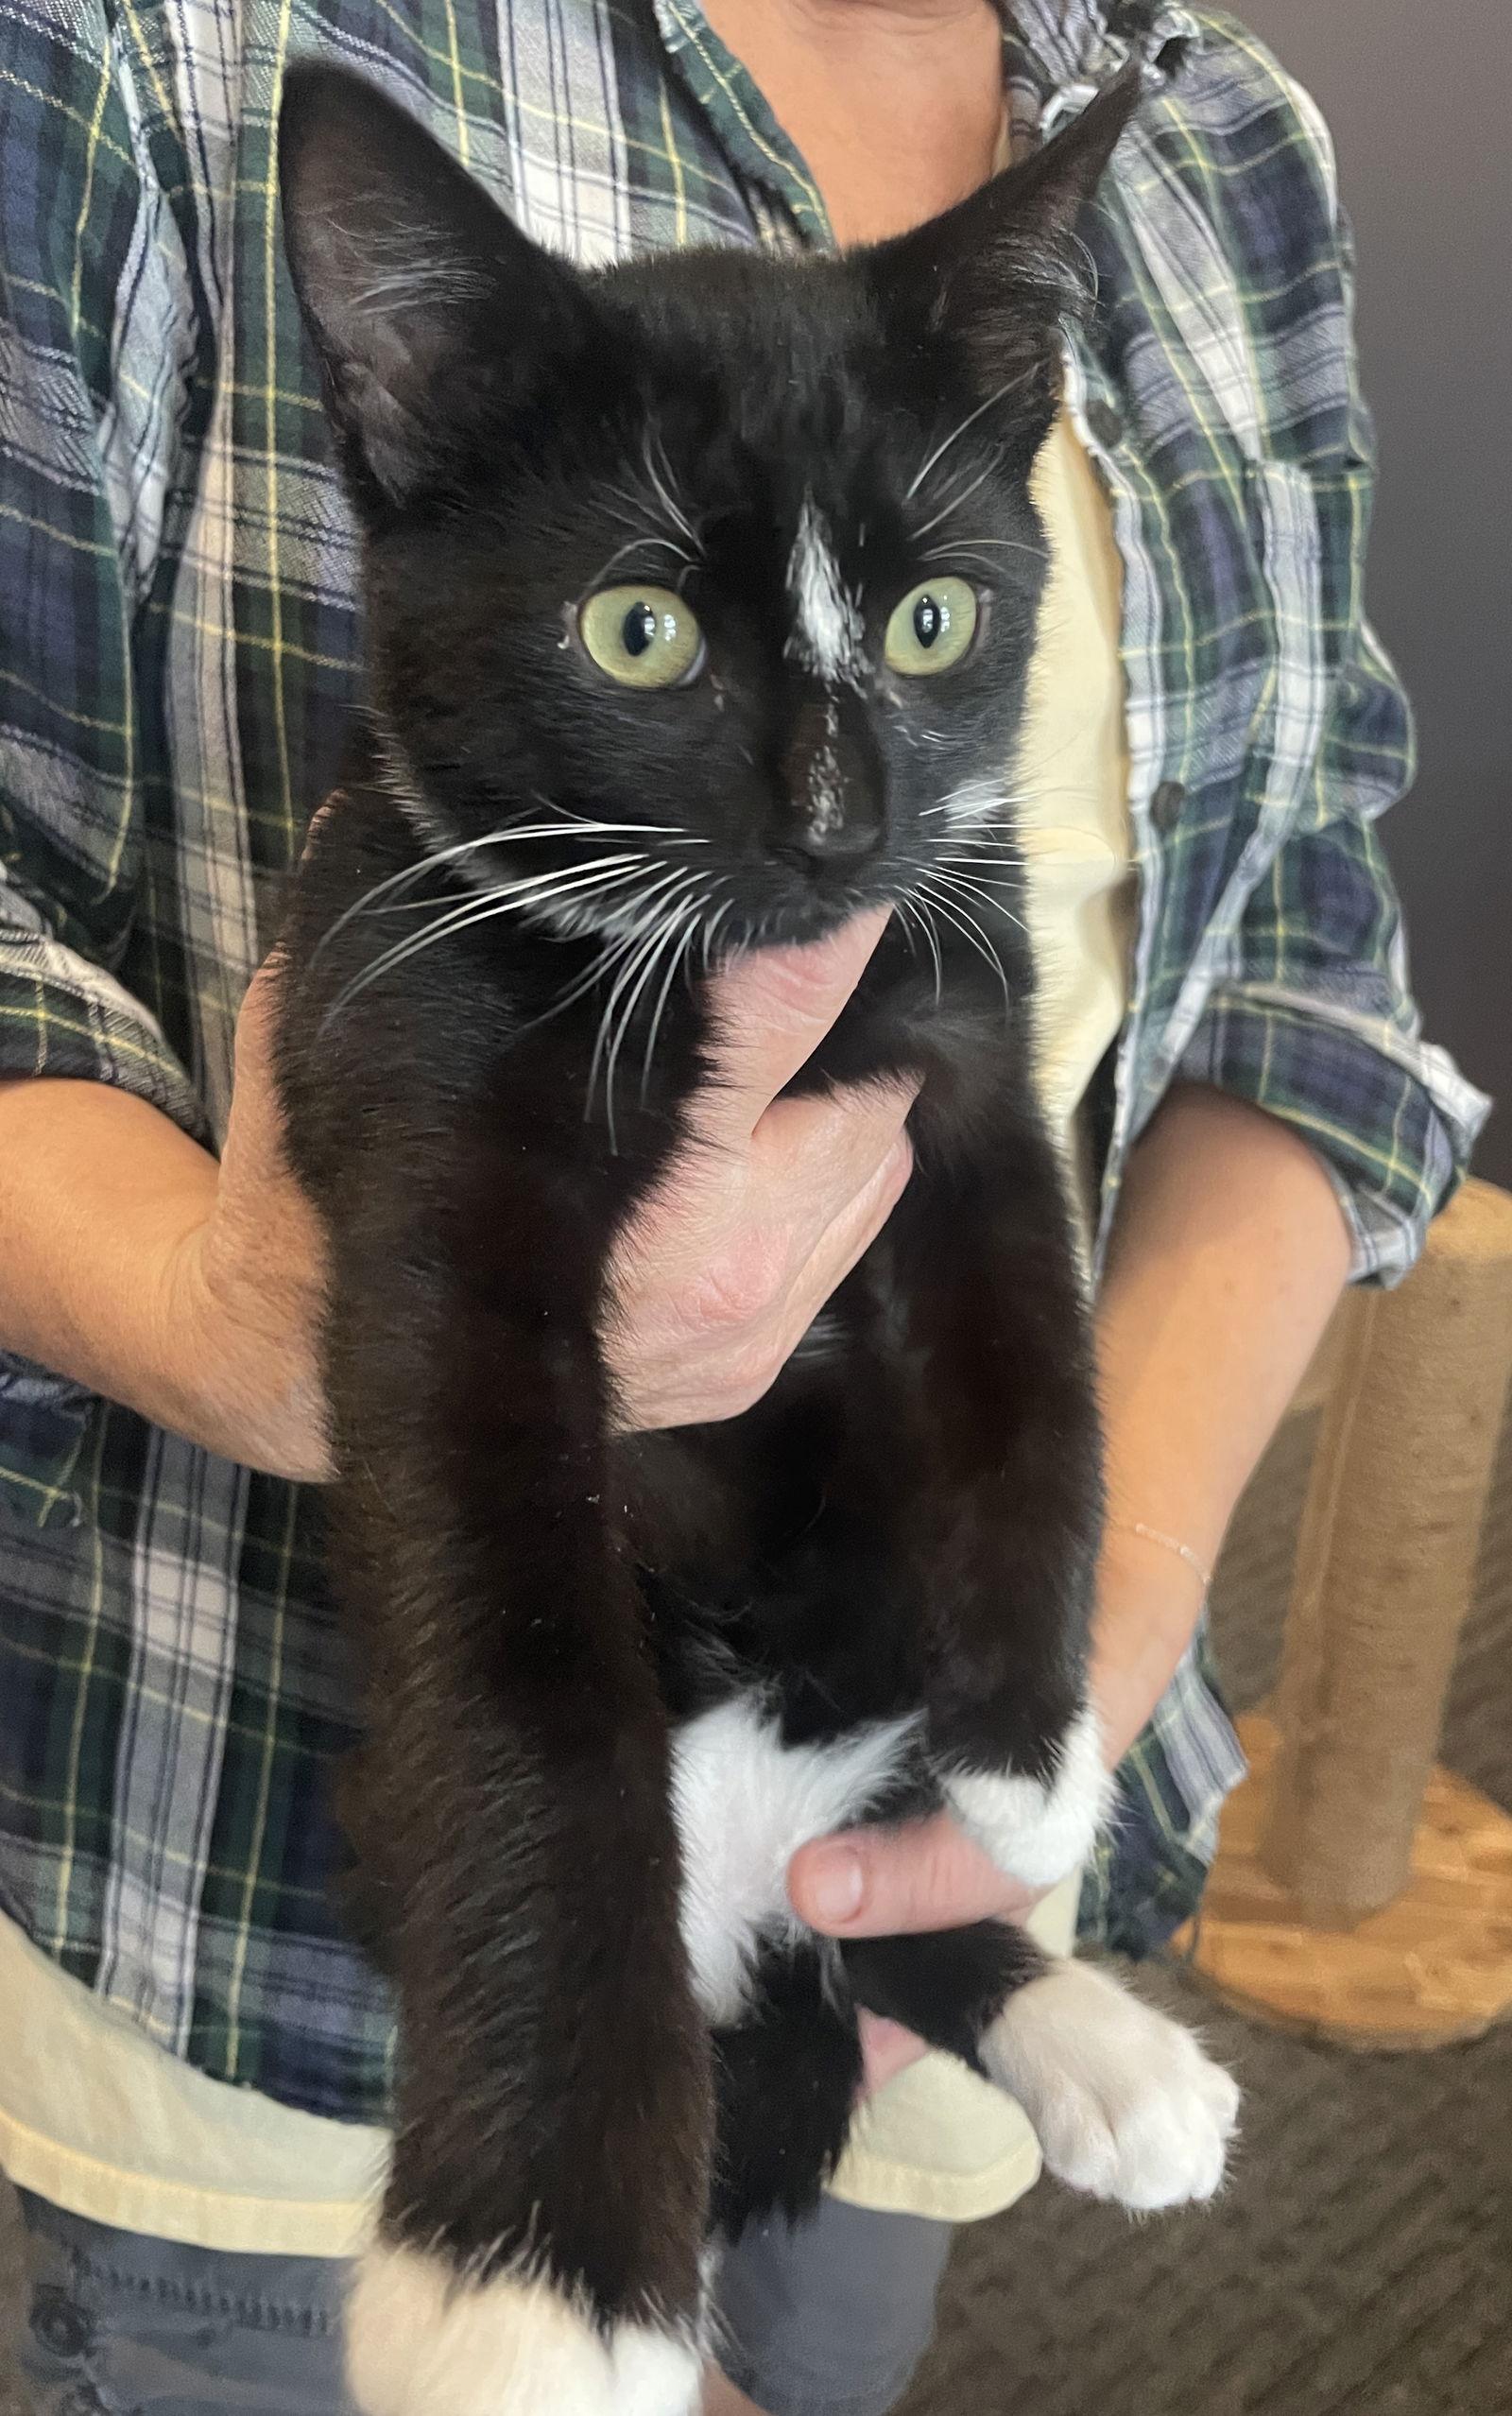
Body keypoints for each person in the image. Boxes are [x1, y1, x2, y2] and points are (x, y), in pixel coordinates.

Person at [0, 2, 1487, 2411]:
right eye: (644, 640)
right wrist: (227, 1303)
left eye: (923, 641)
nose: (824, 807)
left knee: (820, 2309)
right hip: (284, 1956)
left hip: (920, 1756)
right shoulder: (150, 49)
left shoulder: (1216, 137)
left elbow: (1303, 949)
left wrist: (1070, 1648)